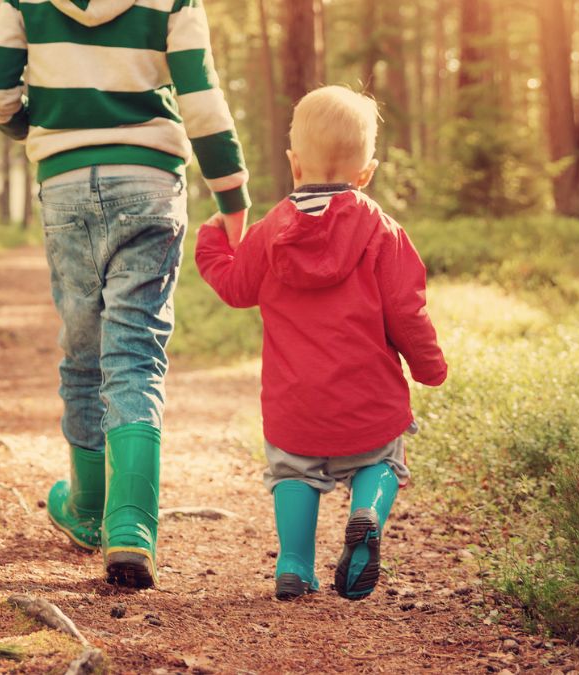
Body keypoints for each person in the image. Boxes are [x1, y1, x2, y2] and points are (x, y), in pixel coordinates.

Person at [0, 0, 250, 588]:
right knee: (135, 353)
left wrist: (40, 126)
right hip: (150, 182)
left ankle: (88, 510)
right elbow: (202, 103)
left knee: (82, 346)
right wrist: (232, 196)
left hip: (66, 184)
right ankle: (131, 526)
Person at [194, 86, 447, 600]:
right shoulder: (383, 230)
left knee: (293, 472)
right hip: (367, 396)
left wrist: (214, 243)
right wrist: (429, 366)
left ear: (293, 163)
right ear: (366, 172)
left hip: (295, 403)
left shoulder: (269, 231)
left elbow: (237, 287)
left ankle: (292, 565)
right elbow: (407, 310)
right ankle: (367, 512)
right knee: (384, 460)